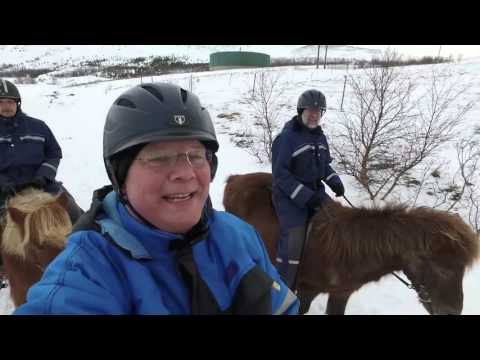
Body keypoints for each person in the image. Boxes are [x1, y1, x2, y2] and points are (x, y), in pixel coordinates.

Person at [14, 82, 299, 315]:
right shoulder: (86, 274)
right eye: (159, 158)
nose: (186, 173)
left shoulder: (239, 236)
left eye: (197, 155)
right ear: (120, 175)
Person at [271, 89, 345, 289]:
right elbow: (280, 175)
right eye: (310, 110)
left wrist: (334, 181)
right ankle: (284, 286)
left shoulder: (320, 137)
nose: (314, 115)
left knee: (339, 222)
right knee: (294, 239)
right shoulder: (286, 138)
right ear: (300, 110)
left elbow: (324, 166)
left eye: (318, 111)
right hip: (288, 195)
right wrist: (306, 197)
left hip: (315, 192)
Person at [0, 79, 82, 222]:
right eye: (1, 102)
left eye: (10, 102)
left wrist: (43, 176)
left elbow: (54, 152)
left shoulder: (38, 126)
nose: (6, 106)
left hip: (41, 185)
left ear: (18, 104)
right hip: (5, 190)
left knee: (73, 213)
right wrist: (3, 182)